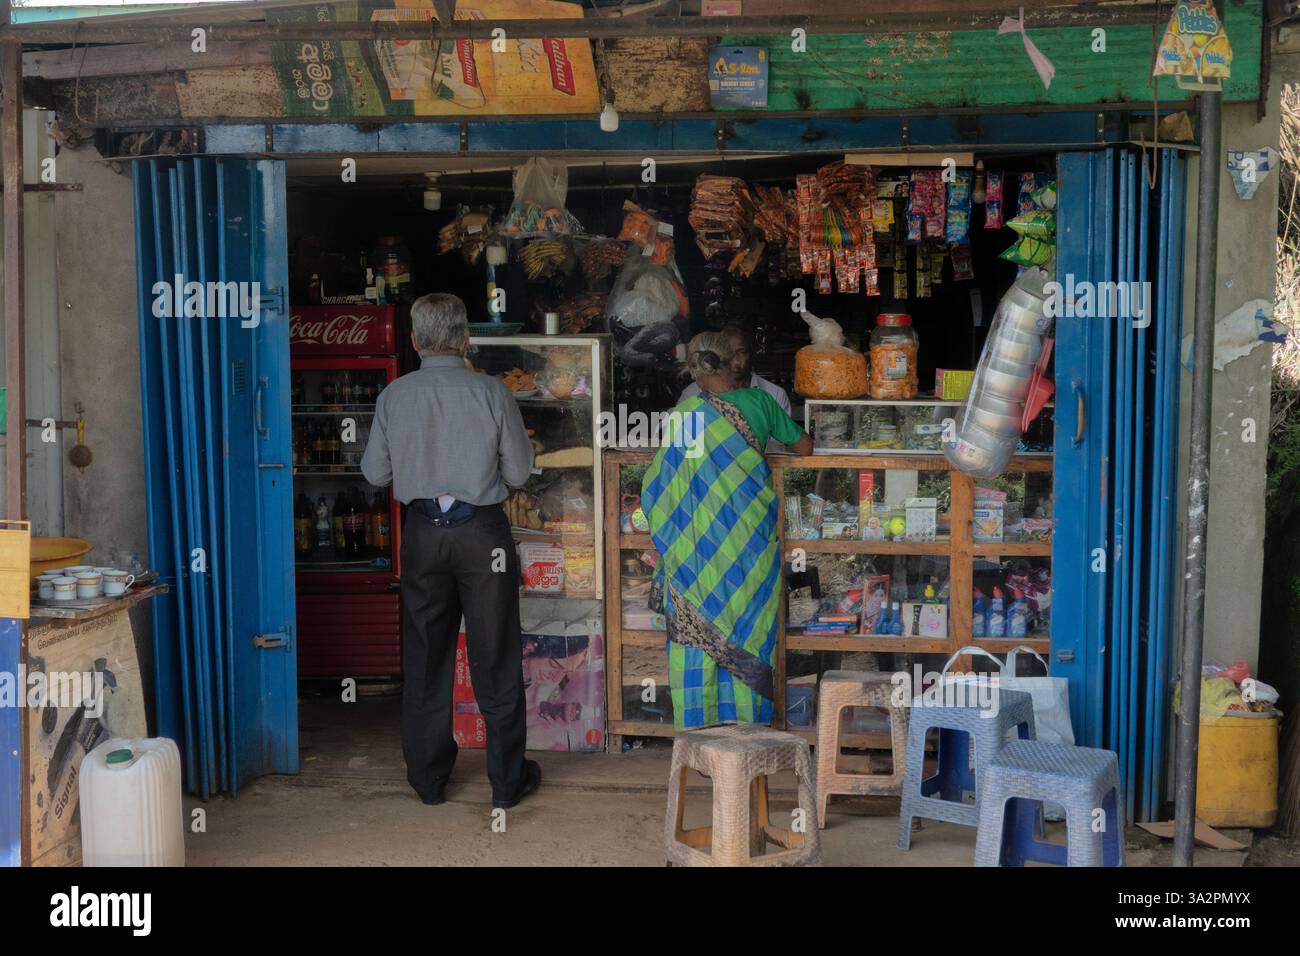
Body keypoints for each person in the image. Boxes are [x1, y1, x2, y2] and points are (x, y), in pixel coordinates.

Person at [361, 293, 541, 810]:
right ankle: (507, 783)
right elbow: (519, 472)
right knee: (496, 657)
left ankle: (429, 780)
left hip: (422, 534)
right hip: (483, 537)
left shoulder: (394, 396)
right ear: (466, 339)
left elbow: (375, 474)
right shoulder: (491, 392)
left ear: (415, 341)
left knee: (424, 658)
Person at [641, 332, 813, 729]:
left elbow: (664, 485)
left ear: (693, 369)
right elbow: (805, 448)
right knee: (749, 632)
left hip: (696, 554)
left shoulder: (687, 415)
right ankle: (750, 731)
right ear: (731, 362)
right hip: (750, 550)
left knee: (694, 644)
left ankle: (699, 736)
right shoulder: (762, 402)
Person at [678, 323, 793, 451]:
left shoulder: (773, 394)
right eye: (730, 355)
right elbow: (683, 447)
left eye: (741, 352)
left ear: (751, 354)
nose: (736, 361)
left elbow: (779, 447)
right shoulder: (690, 395)